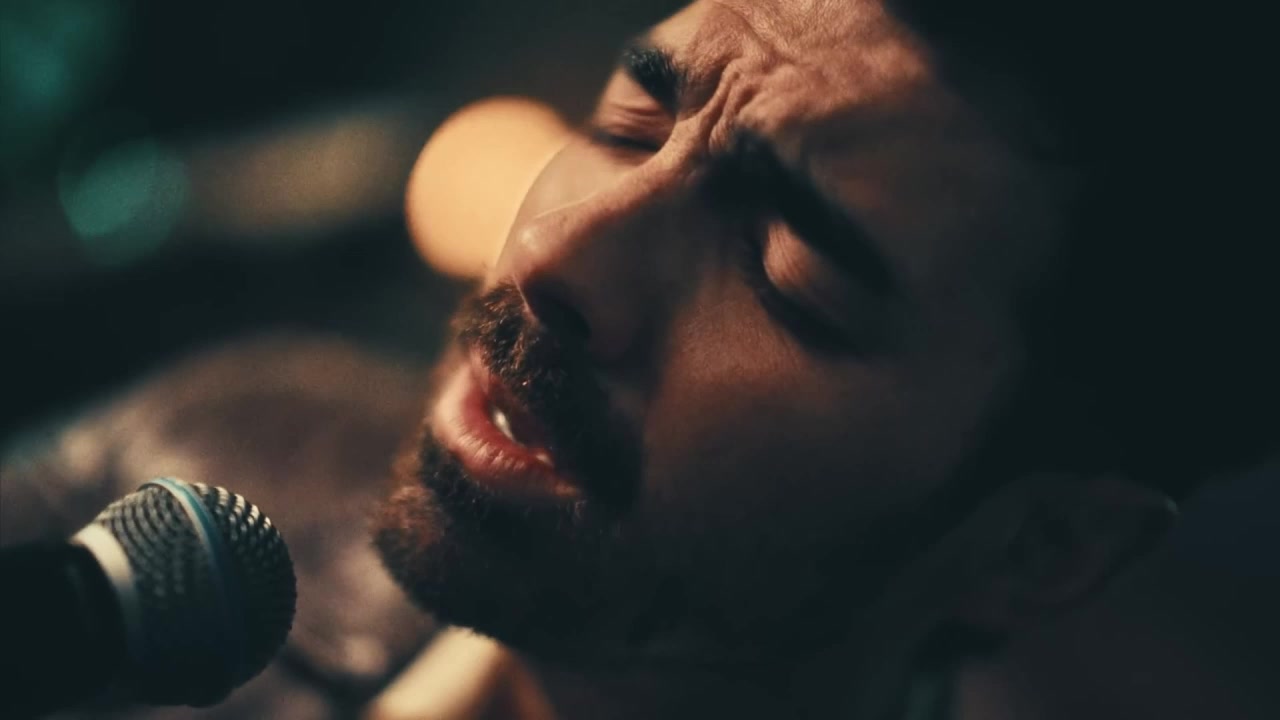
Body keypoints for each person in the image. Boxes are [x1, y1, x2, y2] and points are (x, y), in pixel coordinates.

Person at [369, 0, 1276, 718]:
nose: (549, 252)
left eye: (788, 273)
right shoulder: (281, 455)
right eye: (630, 127)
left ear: (1041, 547)